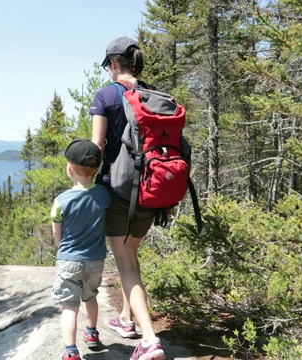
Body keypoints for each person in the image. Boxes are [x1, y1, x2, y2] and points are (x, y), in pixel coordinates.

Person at [90, 36, 166, 360]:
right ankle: (125, 318)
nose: (108, 70)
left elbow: (96, 150)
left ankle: (149, 340)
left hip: (119, 190)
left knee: (124, 263)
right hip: (151, 190)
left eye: (108, 65)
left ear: (115, 64)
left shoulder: (106, 95)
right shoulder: (153, 95)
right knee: (131, 255)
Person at [51, 139, 112, 360]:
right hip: (95, 260)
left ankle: (70, 351)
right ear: (96, 170)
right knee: (90, 297)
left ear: (69, 169)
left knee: (69, 306)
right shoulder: (104, 195)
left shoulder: (61, 201)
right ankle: (92, 334)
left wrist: (63, 250)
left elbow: (57, 234)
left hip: (69, 259)